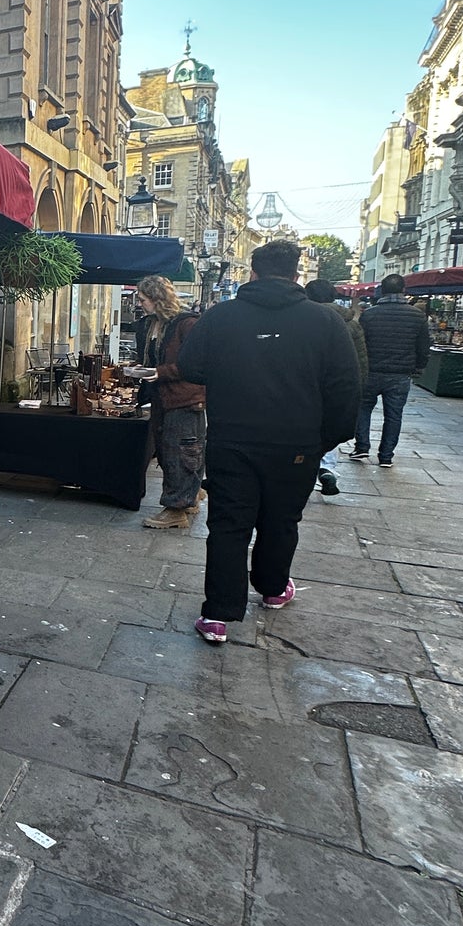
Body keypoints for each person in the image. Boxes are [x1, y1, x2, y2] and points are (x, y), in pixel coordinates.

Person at [173, 241, 361, 645]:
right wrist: (325, 440)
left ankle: (218, 615)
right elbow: (347, 388)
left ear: (253, 272)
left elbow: (190, 366)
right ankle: (273, 588)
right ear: (297, 273)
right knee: (281, 520)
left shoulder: (221, 317)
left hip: (233, 440)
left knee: (228, 524)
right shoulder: (326, 322)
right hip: (296, 444)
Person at [129, 275, 205, 528]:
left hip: (185, 399)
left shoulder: (187, 324)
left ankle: (176, 509)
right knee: (168, 449)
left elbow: (196, 364)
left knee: (181, 451)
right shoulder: (153, 324)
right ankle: (188, 497)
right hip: (163, 397)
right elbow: (155, 357)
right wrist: (140, 368)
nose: (140, 304)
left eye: (143, 299)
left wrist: (160, 372)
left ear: (157, 298)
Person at [354, 274, 429, 465]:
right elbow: (423, 346)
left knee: (363, 409)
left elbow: (361, 344)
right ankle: (386, 456)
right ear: (403, 291)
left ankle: (362, 447)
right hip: (400, 374)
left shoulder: (369, 314)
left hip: (371, 371)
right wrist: (419, 366)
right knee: (394, 415)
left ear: (383, 291)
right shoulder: (417, 315)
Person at [304, 278, 368, 494]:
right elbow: (360, 360)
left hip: (307, 386)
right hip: (338, 386)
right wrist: (358, 387)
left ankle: (307, 465)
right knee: (331, 426)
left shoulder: (302, 320)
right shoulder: (351, 323)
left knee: (307, 427)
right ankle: (327, 466)